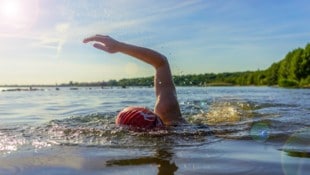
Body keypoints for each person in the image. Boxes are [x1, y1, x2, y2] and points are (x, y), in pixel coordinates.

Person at [83, 35, 186, 129]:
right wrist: (119, 46)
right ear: (150, 114)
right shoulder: (167, 112)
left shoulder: (168, 118)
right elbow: (161, 63)